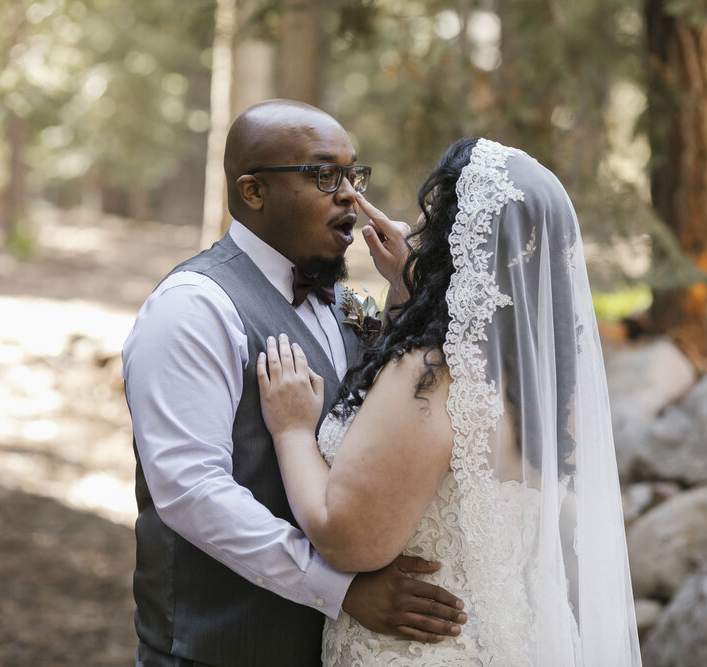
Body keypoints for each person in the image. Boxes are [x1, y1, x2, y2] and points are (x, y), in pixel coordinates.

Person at [257, 137, 643, 665]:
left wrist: (292, 431)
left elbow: (347, 541)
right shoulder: (550, 376)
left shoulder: (430, 376)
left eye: (433, 221)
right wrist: (410, 287)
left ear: (453, 242)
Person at [122, 100, 467, 667]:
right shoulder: (192, 310)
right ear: (253, 192)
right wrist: (341, 591)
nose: (352, 197)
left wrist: (407, 291)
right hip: (216, 650)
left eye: (354, 175)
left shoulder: (344, 302)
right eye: (323, 174)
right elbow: (190, 491)